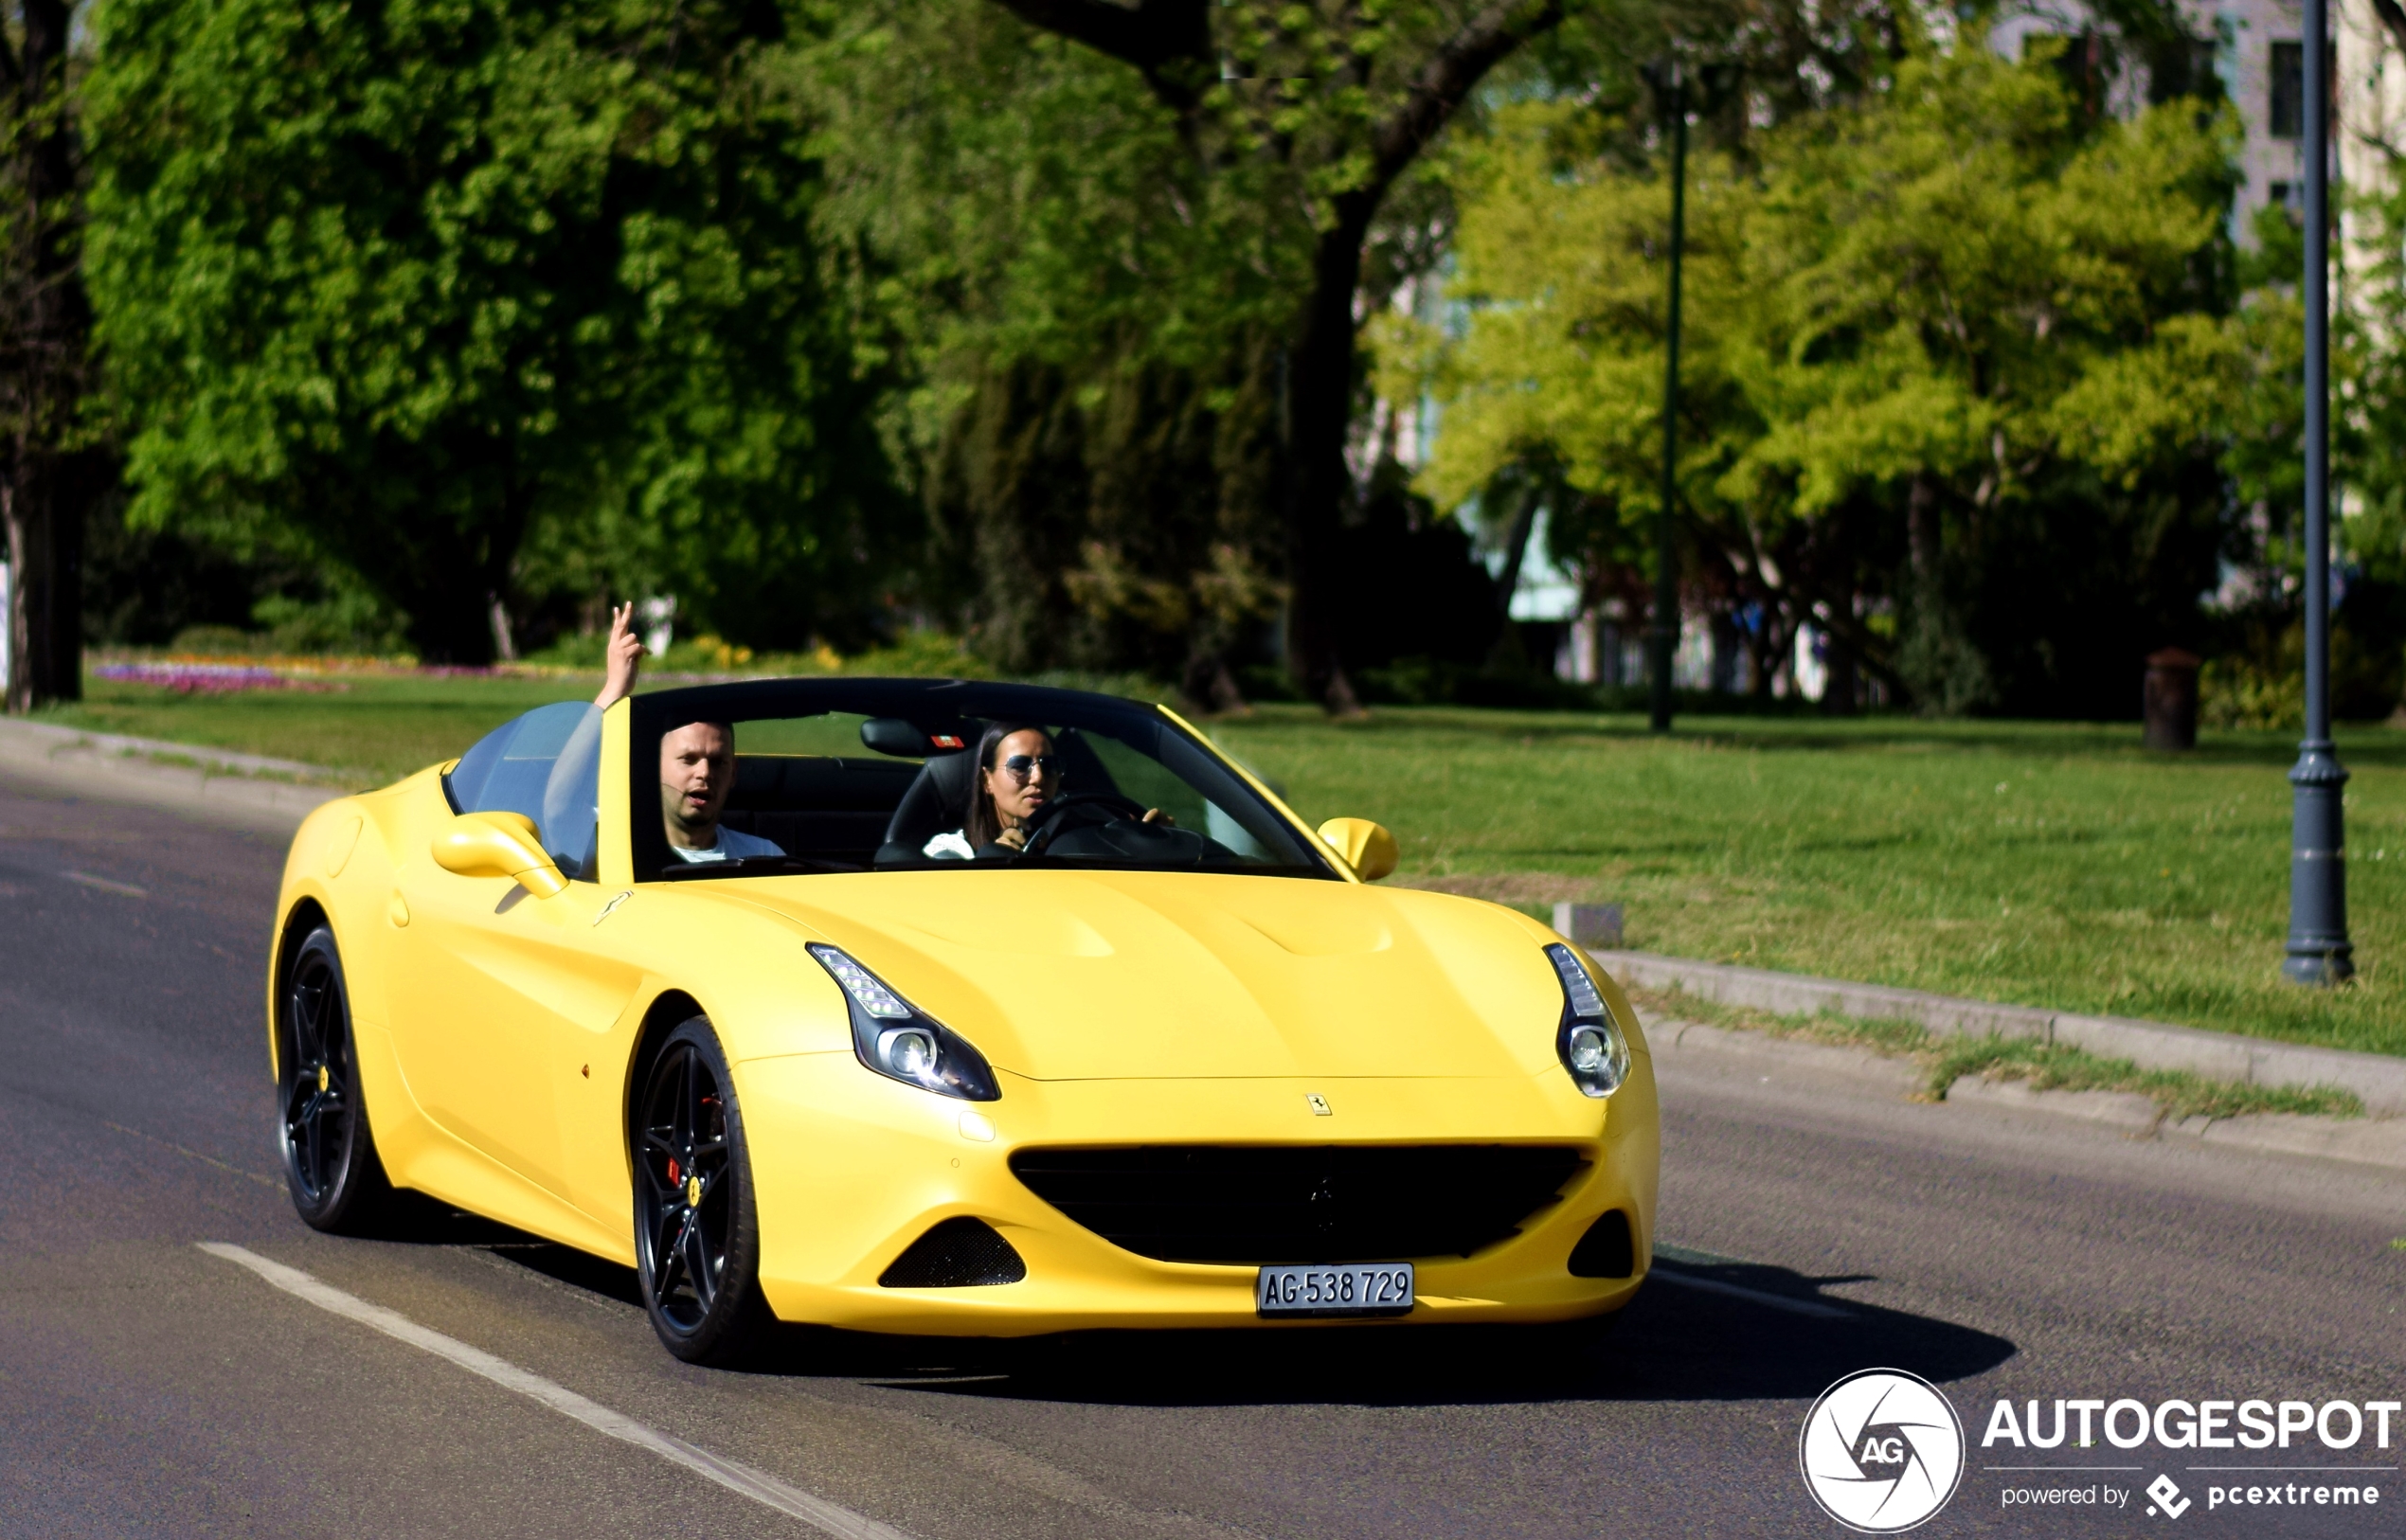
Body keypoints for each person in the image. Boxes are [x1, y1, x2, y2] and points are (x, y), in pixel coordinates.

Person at [593, 602, 783, 865]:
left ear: (734, 774)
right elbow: (560, 799)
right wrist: (614, 687)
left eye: (718, 762)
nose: (704, 773)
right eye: (688, 759)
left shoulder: (765, 857)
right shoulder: (613, 850)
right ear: (652, 768)